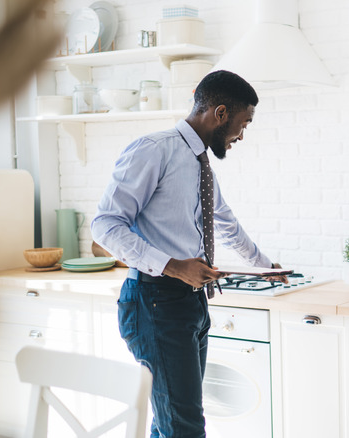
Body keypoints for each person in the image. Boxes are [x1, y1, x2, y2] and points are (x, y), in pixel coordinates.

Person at [91, 70, 282, 437]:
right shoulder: (154, 150)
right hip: (154, 302)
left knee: (171, 424)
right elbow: (105, 224)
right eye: (243, 124)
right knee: (184, 428)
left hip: (190, 305)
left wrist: (267, 267)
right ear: (221, 113)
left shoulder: (200, 166)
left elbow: (226, 223)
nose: (242, 135)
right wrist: (175, 267)